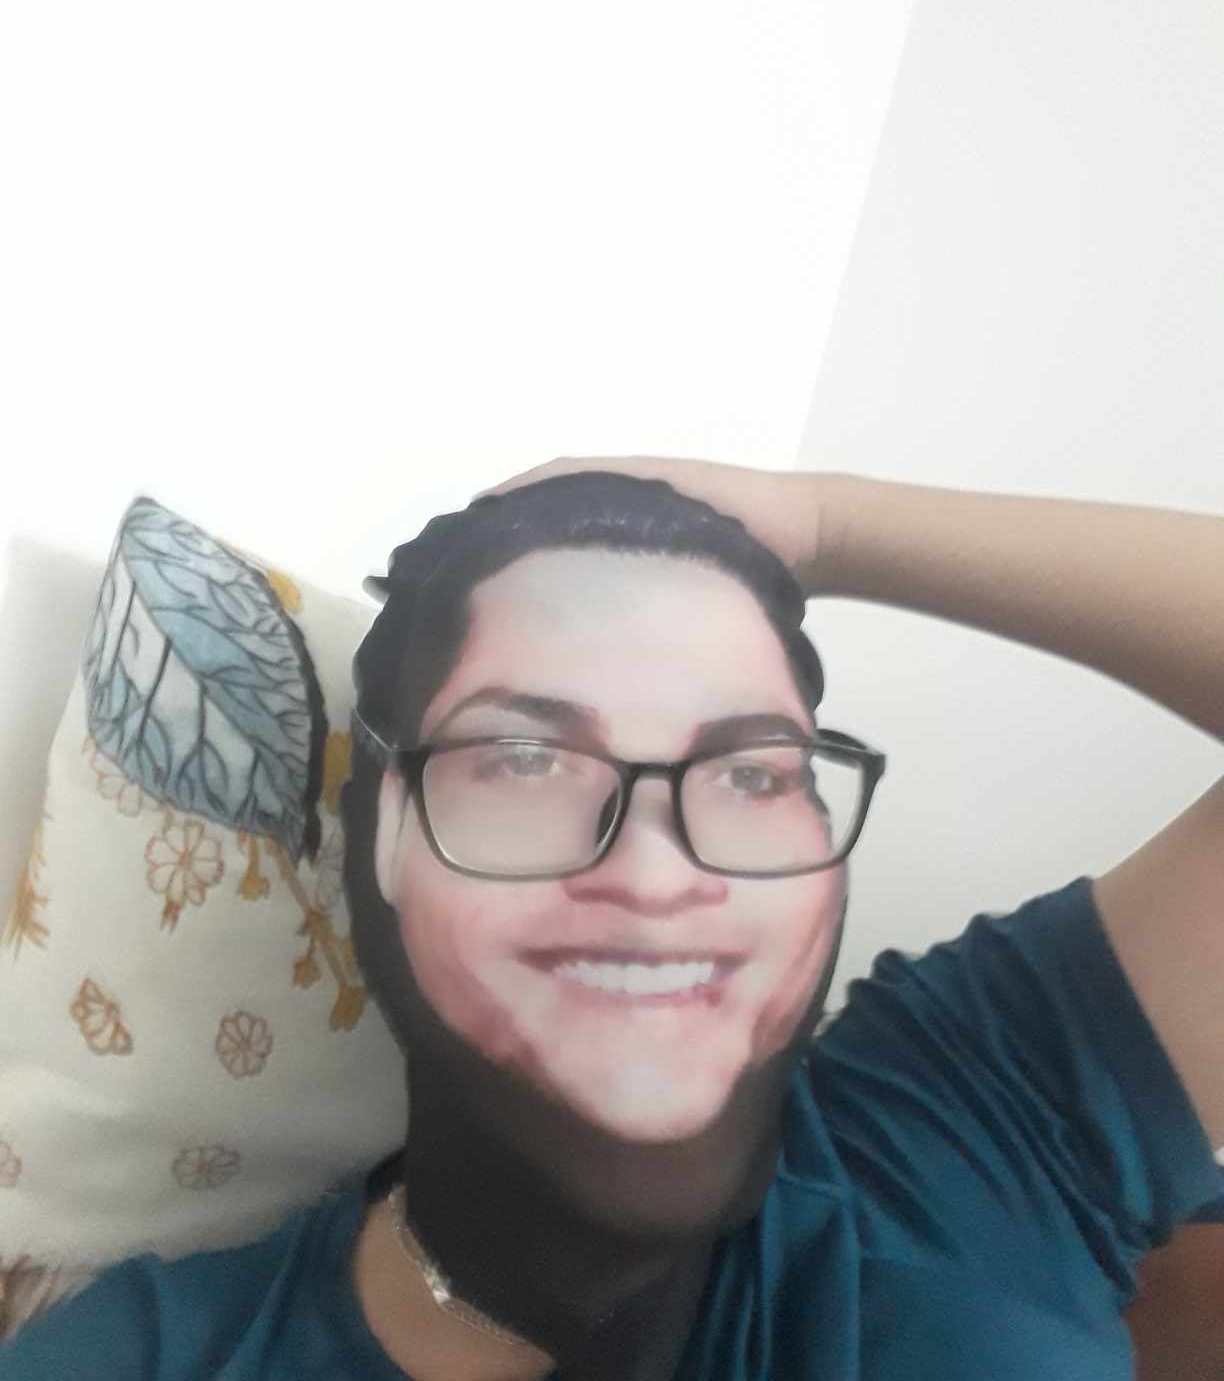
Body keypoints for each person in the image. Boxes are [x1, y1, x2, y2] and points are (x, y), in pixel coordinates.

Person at [1, 455, 1221, 1380]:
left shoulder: (964, 1131)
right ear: (382, 832)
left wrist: (824, 525)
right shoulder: (153, 1356)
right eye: (527, 759)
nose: (654, 873)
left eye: (752, 773)